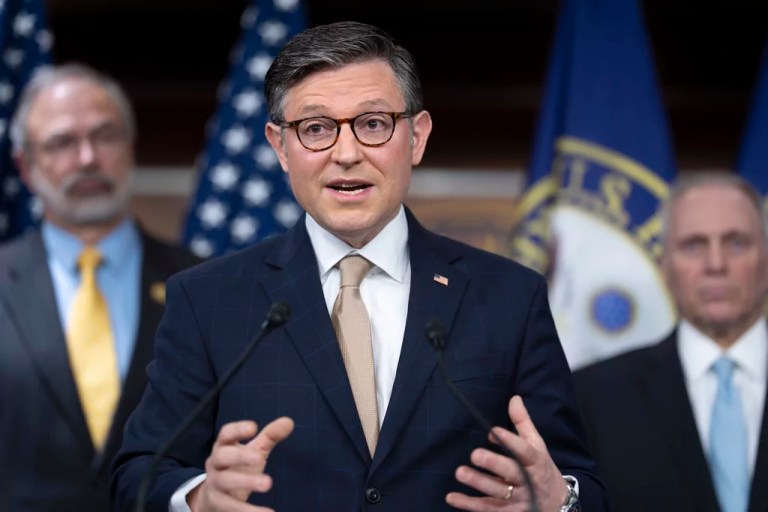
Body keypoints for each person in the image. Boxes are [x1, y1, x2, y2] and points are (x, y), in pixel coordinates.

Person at [112, 21, 608, 512]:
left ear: (416, 137)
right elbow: (137, 476)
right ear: (280, 148)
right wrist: (199, 497)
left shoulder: (508, 297)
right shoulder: (207, 300)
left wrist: (559, 500)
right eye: (316, 129)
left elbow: (582, 482)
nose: (346, 154)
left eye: (373, 124)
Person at [0, 64, 202, 512]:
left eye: (105, 135)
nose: (88, 157)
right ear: (26, 167)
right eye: (61, 142)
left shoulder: (205, 284)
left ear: (131, 146)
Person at [573, 173, 768, 512]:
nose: (716, 264)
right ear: (664, 266)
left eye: (736, 242)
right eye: (694, 245)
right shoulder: (593, 396)